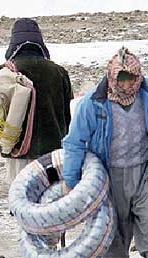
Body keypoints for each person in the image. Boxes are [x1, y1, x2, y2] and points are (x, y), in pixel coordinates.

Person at [63, 47, 148, 258]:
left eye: (132, 79)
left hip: (143, 173)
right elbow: (74, 142)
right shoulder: (93, 104)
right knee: (113, 237)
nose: (128, 85)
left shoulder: (145, 98)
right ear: (112, 77)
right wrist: (71, 180)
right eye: (122, 79)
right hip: (109, 177)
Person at [0, 18, 73, 183]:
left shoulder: (5, 72)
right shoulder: (58, 72)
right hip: (51, 151)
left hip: (16, 149)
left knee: (20, 196)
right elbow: (69, 112)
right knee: (49, 196)